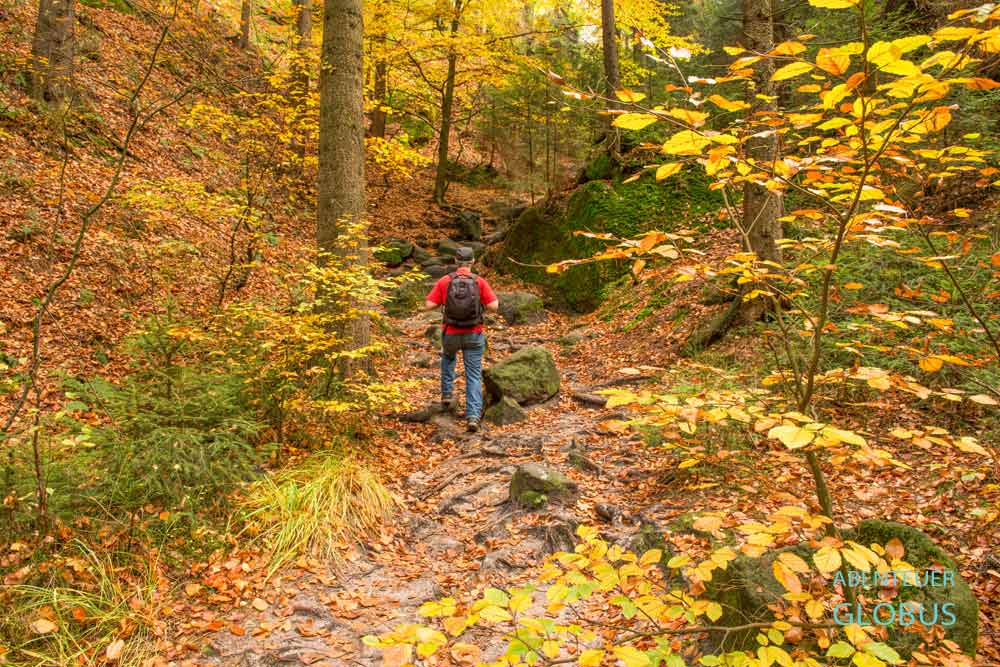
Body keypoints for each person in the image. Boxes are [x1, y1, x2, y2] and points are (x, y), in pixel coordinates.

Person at [424, 246, 499, 432]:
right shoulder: (479, 282)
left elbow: (429, 305)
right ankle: (473, 416)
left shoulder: (445, 281)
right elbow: (494, 306)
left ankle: (447, 394)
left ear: (455, 262)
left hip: (450, 333)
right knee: (473, 374)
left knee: (448, 358)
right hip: (473, 334)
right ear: (473, 261)